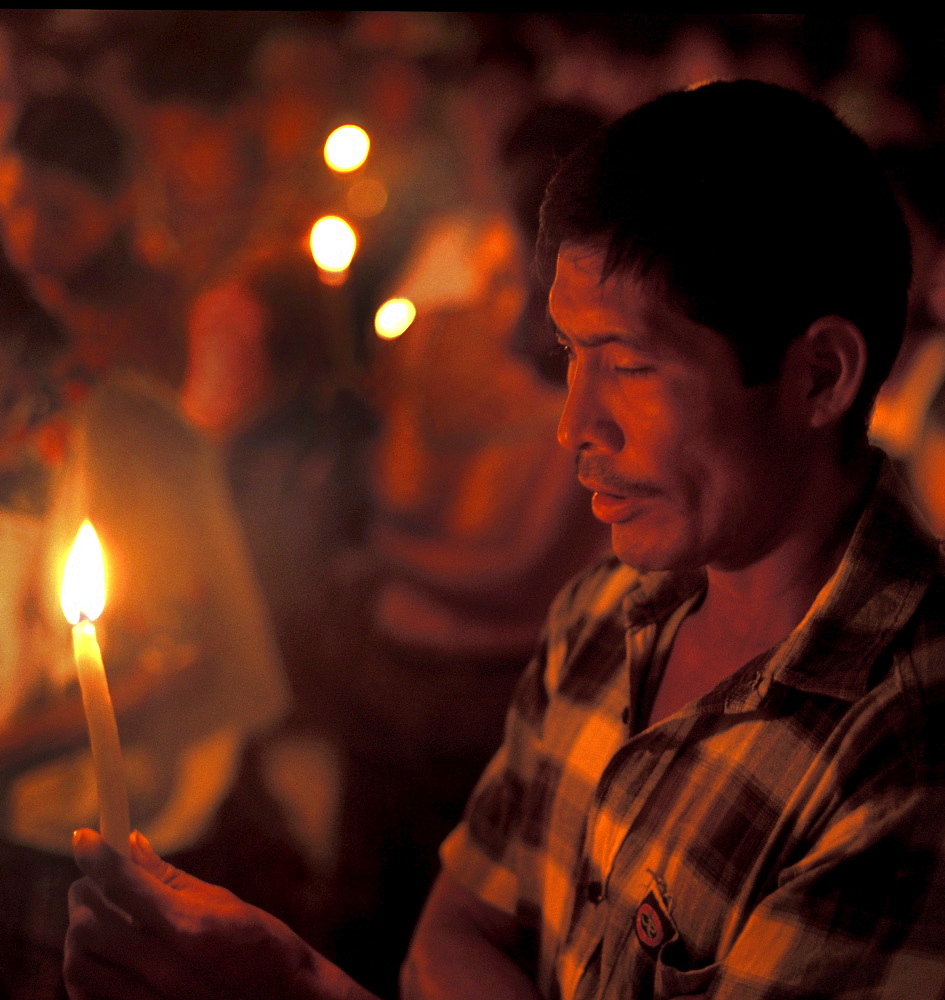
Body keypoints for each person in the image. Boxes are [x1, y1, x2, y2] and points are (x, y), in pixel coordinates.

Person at [63, 79, 945, 1000]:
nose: (574, 426)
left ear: (818, 377)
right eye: (570, 355)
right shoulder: (607, 615)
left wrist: (288, 985)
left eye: (631, 366)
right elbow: (452, 931)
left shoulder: (901, 752)